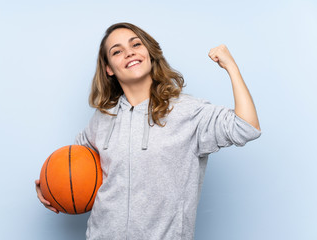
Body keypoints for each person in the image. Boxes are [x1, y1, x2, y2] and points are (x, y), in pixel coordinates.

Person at [35, 22, 262, 240]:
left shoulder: (187, 112)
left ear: (149, 53)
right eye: (117, 51)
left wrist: (231, 67)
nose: (129, 53)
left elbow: (247, 127)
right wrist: (50, 187)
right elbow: (74, 165)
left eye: (136, 45)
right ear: (109, 69)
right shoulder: (103, 118)